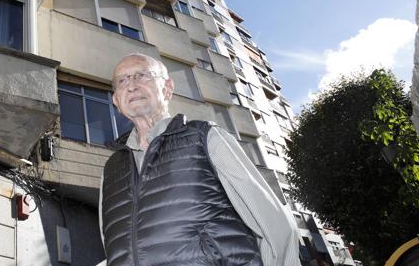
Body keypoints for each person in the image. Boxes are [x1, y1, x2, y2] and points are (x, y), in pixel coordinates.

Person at [97, 53, 301, 266]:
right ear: (116, 101)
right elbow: (113, 247)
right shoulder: (111, 168)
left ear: (167, 88)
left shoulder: (206, 137)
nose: (131, 86)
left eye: (141, 75)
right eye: (122, 80)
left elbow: (275, 227)